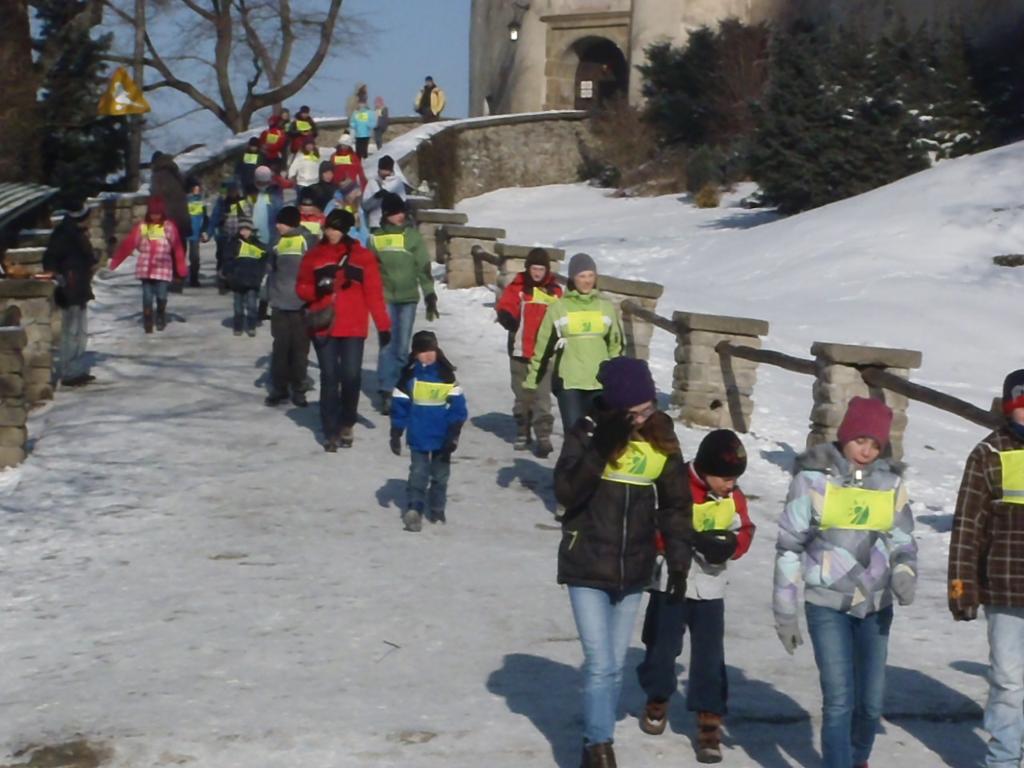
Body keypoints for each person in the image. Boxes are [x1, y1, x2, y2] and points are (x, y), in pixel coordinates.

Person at [554, 356, 693, 768]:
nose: (644, 416)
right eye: (636, 411)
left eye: (649, 407)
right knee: (600, 663)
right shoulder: (587, 432)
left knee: (613, 665)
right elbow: (566, 491)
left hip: (634, 567)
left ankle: (593, 744)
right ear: (615, 408)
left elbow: (676, 502)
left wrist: (680, 558)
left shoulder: (661, 435)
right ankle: (600, 748)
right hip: (587, 563)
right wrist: (600, 449)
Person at [773, 396, 917, 768]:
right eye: (859, 441)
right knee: (839, 699)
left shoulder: (890, 485)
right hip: (827, 603)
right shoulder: (812, 481)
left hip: (875, 604)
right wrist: (785, 611)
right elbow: (790, 547)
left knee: (870, 704)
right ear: (845, 436)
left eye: (875, 444)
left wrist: (904, 572)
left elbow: (904, 540)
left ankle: (858, 758)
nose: (866, 451)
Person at [636, 429, 755, 763]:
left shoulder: (734, 497)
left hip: (709, 587)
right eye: (723, 478)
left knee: (709, 656)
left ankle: (709, 721)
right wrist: (686, 541)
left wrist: (732, 545)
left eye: (734, 479)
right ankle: (657, 696)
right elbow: (653, 528)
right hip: (670, 582)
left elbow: (744, 530)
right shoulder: (675, 486)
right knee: (661, 646)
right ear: (703, 470)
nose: (728, 485)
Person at [949, 369, 1024, 768]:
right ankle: (1004, 760)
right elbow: (967, 526)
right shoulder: (988, 454)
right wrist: (962, 589)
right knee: (1009, 681)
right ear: (1009, 409)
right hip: (1006, 589)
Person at [295, 209, 391, 452]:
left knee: (351, 377)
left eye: (337, 228)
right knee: (329, 378)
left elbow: (374, 294)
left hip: (353, 326)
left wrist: (383, 326)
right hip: (324, 324)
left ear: (346, 230)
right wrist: (317, 289)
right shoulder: (314, 256)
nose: (332, 233)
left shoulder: (362, 257)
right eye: (329, 228)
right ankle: (330, 431)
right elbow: (301, 287)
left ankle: (347, 420)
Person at [524, 252, 623, 437]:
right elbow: (543, 347)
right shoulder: (559, 308)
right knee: (575, 438)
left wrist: (616, 379)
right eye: (582, 276)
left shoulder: (605, 307)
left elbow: (616, 346)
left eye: (591, 276)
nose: (587, 281)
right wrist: (532, 381)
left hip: (599, 383)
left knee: (603, 437)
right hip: (570, 383)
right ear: (572, 278)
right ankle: (572, 466)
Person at [389, 330, 468, 532]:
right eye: (423, 351)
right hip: (418, 436)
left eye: (431, 350)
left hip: (442, 437)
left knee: (440, 475)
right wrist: (396, 431)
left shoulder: (446, 376)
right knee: (418, 473)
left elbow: (458, 407)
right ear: (415, 354)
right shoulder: (409, 377)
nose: (428, 355)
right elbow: (400, 405)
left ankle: (437, 507)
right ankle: (414, 508)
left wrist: (453, 432)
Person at [369, 192, 437, 415]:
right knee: (387, 343)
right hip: (386, 298)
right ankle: (386, 389)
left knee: (402, 346)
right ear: (387, 215)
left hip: (408, 298)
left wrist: (429, 294)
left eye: (402, 212)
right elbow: (369, 269)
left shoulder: (412, 237)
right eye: (395, 213)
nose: (400, 216)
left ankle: (399, 388)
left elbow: (423, 268)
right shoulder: (376, 238)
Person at [495, 247, 562, 457]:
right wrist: (506, 316)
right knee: (522, 394)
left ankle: (543, 435)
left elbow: (561, 313)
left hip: (543, 352)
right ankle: (523, 429)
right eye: (534, 268)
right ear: (528, 268)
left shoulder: (554, 291)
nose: (537, 273)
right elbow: (506, 304)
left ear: (547, 270)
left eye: (541, 269)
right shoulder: (518, 287)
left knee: (542, 396)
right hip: (519, 349)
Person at [109, 197, 187, 334]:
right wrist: (116, 261)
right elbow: (129, 244)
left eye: (157, 213)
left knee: (162, 295)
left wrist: (181, 268)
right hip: (145, 268)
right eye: (152, 213)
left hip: (163, 268)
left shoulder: (168, 227)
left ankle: (161, 314)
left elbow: (177, 247)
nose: (154, 216)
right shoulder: (143, 227)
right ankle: (148, 320)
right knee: (147, 297)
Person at [265, 206, 317, 407]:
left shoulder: (307, 240)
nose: (278, 226)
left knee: (299, 349)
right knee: (280, 348)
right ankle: (279, 388)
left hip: (301, 304)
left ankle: (299, 388)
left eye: (282, 223)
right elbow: (270, 269)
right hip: (279, 302)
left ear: (292, 223)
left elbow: (316, 266)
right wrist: (266, 295)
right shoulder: (276, 242)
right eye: (277, 222)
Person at [42, 201, 98, 387]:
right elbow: (50, 258)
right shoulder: (64, 234)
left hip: (80, 286)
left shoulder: (78, 233)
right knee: (71, 330)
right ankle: (69, 371)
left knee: (80, 331)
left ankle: (76, 368)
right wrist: (58, 276)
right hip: (70, 286)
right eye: (88, 217)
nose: (90, 220)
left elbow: (87, 258)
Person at [222, 216, 268, 337]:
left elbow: (264, 261)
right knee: (238, 307)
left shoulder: (259, 245)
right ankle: (238, 326)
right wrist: (229, 275)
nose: (244, 232)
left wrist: (261, 275)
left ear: (251, 230)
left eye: (247, 229)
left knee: (252, 305)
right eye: (242, 229)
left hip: (253, 281)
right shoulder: (233, 244)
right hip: (237, 281)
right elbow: (227, 260)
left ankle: (251, 326)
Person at [210, 180, 246, 294]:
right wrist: (209, 232)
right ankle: (222, 281)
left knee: (237, 258)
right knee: (223, 257)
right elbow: (214, 218)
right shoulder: (222, 202)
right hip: (224, 235)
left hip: (239, 235)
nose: (233, 193)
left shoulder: (243, 202)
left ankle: (234, 280)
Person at [362, 155, 411, 231]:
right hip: (375, 224)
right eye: (382, 169)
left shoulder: (397, 183)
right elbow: (365, 206)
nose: (384, 172)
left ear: (391, 170)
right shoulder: (372, 182)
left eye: (387, 170)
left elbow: (402, 204)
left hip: (393, 224)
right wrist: (376, 197)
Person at [244, 165, 284, 247]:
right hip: (253, 236)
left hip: (271, 237)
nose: (262, 186)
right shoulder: (249, 192)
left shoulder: (275, 193)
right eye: (259, 183)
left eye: (265, 183)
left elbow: (280, 213)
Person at [184, 177, 210, 287]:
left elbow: (205, 218)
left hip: (196, 233)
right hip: (184, 232)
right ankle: (179, 277)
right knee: (180, 256)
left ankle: (194, 279)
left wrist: (204, 230)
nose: (197, 189)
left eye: (197, 187)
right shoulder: (184, 200)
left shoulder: (201, 201)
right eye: (194, 187)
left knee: (195, 258)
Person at [349, 95, 377, 160]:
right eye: (360, 103)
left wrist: (368, 124)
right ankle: (358, 163)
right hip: (358, 135)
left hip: (366, 134)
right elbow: (352, 122)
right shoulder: (355, 113)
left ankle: (366, 164)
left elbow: (374, 123)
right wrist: (354, 125)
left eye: (362, 103)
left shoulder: (370, 113)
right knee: (358, 151)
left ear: (365, 104)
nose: (361, 105)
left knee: (364, 150)